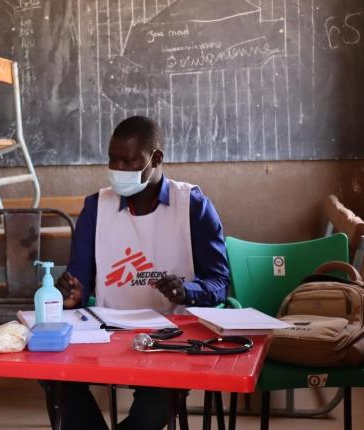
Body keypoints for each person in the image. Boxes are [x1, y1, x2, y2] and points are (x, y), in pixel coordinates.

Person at [50, 116, 230, 430]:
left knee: (153, 412)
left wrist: (188, 291)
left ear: (156, 158)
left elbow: (219, 282)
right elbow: (78, 281)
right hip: (108, 333)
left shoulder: (192, 206)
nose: (118, 168)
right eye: (112, 159)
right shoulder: (96, 208)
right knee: (50, 373)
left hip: (171, 338)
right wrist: (71, 296)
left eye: (129, 160)